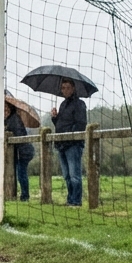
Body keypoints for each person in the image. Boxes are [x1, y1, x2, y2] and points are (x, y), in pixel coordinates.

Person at [50, 79, 87, 207]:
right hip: (61, 144)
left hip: (73, 144)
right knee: (66, 175)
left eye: (67, 87)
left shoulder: (79, 104)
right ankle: (70, 199)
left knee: (74, 175)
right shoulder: (62, 105)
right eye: (63, 88)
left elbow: (81, 124)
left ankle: (76, 201)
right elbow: (60, 125)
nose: (64, 90)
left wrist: (69, 134)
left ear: (73, 88)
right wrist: (55, 118)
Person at [3, 101, 34, 201]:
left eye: (6, 108)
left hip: (23, 150)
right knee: (17, 173)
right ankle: (16, 194)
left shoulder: (14, 119)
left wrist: (7, 131)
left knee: (21, 173)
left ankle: (25, 196)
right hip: (17, 151)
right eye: (3, 108)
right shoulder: (7, 120)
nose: (5, 110)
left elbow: (18, 134)